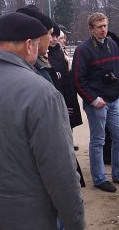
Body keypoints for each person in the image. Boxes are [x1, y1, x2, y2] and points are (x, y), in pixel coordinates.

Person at [0, 12, 85, 229]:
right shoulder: (43, 92)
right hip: (32, 215)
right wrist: (75, 221)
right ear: (29, 45)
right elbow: (60, 171)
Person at [72, 12, 119, 193]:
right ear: (91, 29)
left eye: (105, 26)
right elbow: (78, 79)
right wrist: (93, 99)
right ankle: (99, 178)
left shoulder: (112, 45)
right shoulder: (83, 50)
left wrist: (116, 87)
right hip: (97, 103)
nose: (103, 30)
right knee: (98, 140)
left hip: (113, 99)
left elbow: (118, 70)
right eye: (99, 27)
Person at [48, 22, 85, 187]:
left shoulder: (59, 53)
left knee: (67, 139)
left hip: (65, 100)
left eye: (58, 37)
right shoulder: (48, 55)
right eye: (52, 36)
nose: (55, 40)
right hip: (53, 106)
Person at [103, 31, 119, 165]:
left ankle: (115, 154)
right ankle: (107, 154)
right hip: (104, 93)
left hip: (116, 92)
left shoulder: (118, 56)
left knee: (116, 124)